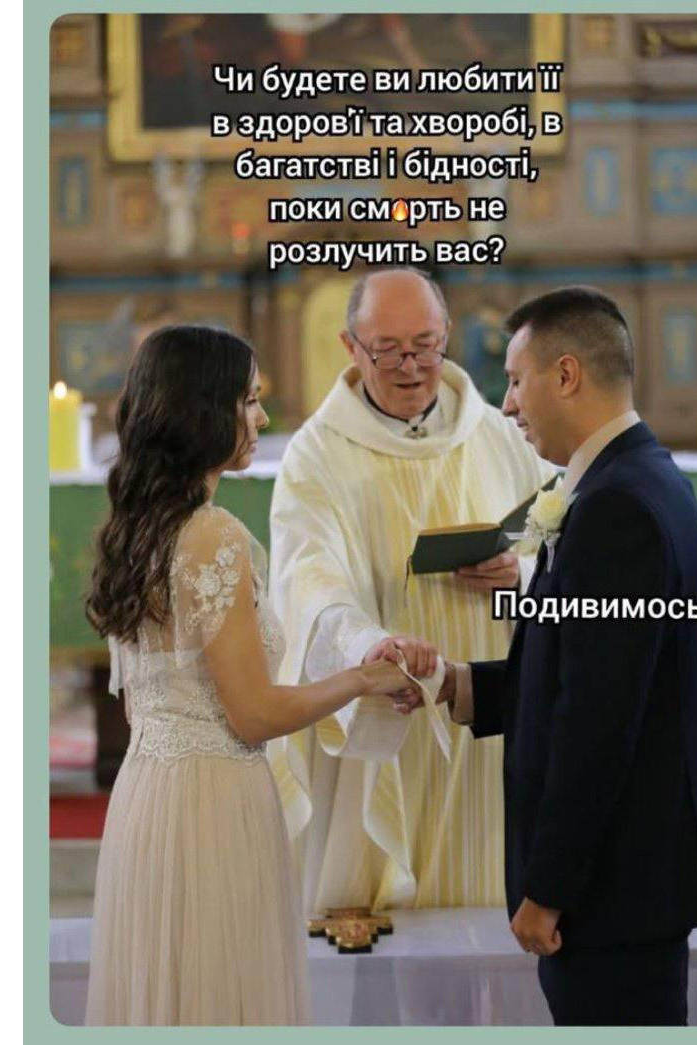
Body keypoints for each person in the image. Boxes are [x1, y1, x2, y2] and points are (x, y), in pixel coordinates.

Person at [81, 326, 417, 1025]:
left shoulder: (134, 529)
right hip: (211, 802)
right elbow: (254, 715)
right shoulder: (213, 536)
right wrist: (362, 680)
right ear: (205, 410)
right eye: (250, 400)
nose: (261, 418)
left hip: (147, 795)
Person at [408, 287, 697, 1025]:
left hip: (613, 887)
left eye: (516, 380)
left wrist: (549, 888)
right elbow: (585, 670)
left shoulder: (616, 508)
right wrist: (459, 684)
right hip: (628, 879)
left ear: (567, 374)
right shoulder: (635, 479)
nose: (507, 405)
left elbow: (597, 722)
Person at [268, 268, 556, 915]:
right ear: (350, 346)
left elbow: (562, 556)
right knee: (390, 921)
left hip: (492, 715)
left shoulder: (499, 436)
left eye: (426, 346)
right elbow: (307, 577)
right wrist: (369, 646)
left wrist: (520, 575)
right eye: (388, 350)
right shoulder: (317, 455)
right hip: (383, 711)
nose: (411, 367)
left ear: (447, 334)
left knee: (493, 894)